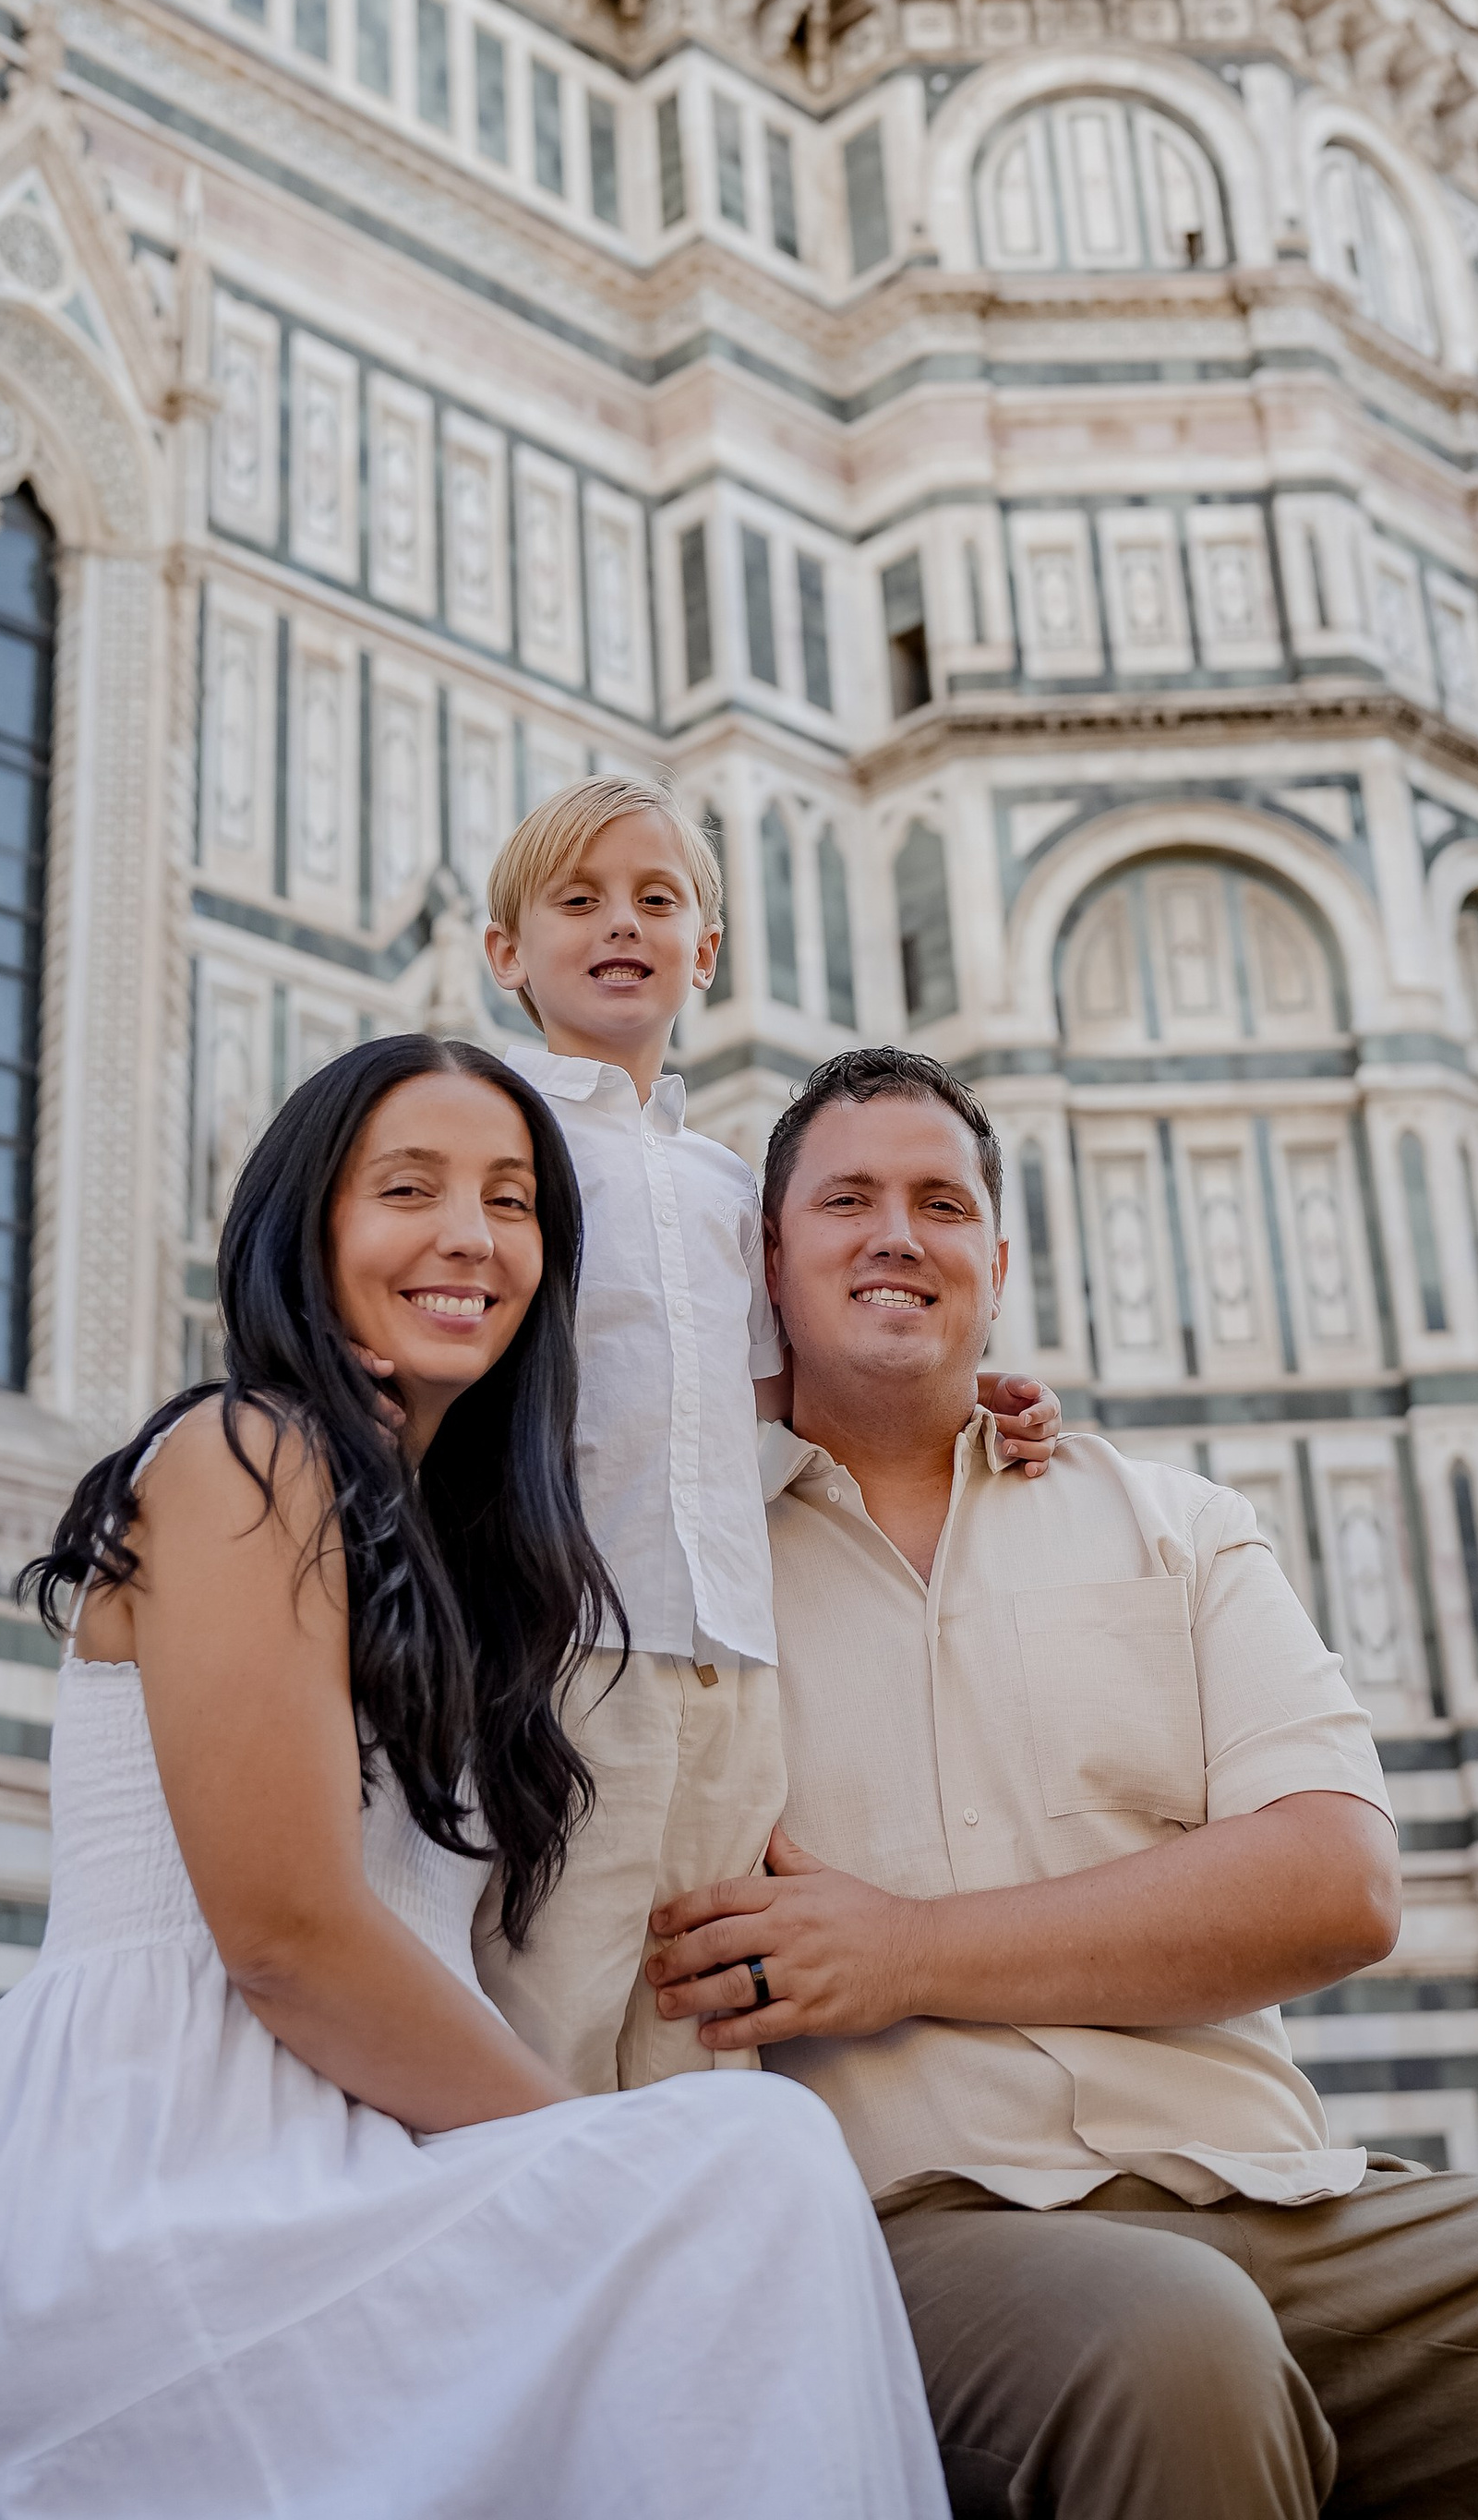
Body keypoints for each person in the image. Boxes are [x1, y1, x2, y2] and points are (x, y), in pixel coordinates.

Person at [645, 1043, 1478, 2519]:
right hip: (915, 2233)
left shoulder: (1174, 1522)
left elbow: (1335, 1883)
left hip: (1279, 2195)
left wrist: (899, 1953)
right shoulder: (677, 1570)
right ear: (768, 1255)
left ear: (997, 1261)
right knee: (1173, 2342)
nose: (898, 1234)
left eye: (942, 1204)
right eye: (847, 1203)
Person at [0, 1034, 946, 2520]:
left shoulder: (462, 1559)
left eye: (513, 1203)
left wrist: (962, 1414)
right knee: (748, 2165)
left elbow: (696, 1440)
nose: (469, 1236)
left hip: (350, 2156)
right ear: (306, 1230)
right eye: (409, 1188)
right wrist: (581, 2156)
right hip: (169, 2168)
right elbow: (288, 1939)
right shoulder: (247, 1454)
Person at [475, 776, 1058, 2093]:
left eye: (657, 899)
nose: (622, 923)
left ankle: (696, 2277)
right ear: (508, 952)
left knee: (701, 2027)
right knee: (550, 2011)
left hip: (732, 1670)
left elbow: (786, 1397)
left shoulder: (729, 1187)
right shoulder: (498, 1142)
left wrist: (980, 1398)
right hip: (570, 1647)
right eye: (579, 900)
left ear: (707, 952)